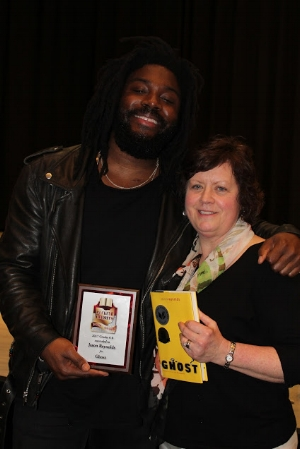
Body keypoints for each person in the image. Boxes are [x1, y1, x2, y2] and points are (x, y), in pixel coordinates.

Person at [0, 37, 299, 449]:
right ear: (116, 95)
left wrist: (288, 234)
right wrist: (44, 342)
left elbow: (237, 217)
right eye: (140, 89)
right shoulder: (48, 178)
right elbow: (12, 269)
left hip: (136, 410)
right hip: (50, 394)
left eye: (168, 98)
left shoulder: (181, 195)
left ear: (180, 115)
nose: (152, 103)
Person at [151, 136, 300, 449]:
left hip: (252, 438)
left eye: (220, 188)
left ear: (242, 199)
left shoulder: (269, 262)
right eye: (196, 186)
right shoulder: (177, 262)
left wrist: (223, 351)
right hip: (176, 435)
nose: (206, 198)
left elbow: (295, 360)